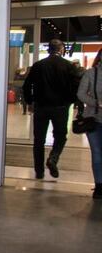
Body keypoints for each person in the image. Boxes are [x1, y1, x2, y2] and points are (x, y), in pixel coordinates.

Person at [23, 39, 83, 179]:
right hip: (60, 107)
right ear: (61, 50)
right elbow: (76, 86)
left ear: (49, 50)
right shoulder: (68, 66)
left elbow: (27, 85)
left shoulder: (38, 66)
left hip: (41, 107)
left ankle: (39, 171)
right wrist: (71, 102)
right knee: (60, 136)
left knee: (39, 140)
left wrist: (30, 101)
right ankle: (53, 158)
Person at [77, 48, 102, 199]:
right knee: (97, 153)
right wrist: (96, 103)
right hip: (93, 119)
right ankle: (99, 185)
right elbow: (80, 94)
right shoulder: (91, 73)